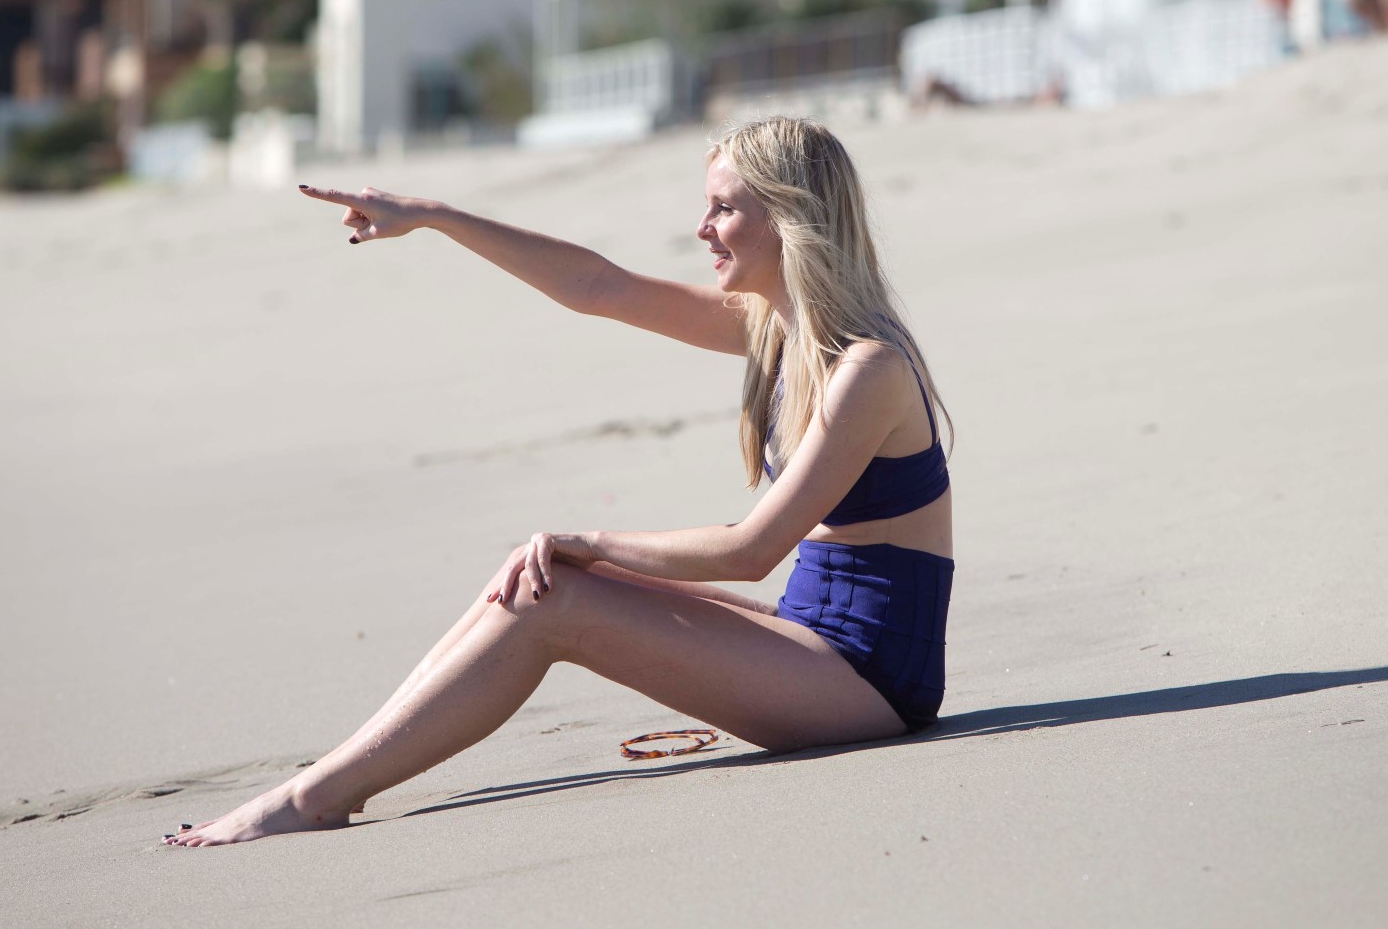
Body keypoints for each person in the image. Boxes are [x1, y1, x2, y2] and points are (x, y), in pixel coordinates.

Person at [163, 116, 954, 847]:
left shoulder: (866, 368)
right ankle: (333, 776)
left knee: (552, 593)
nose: (702, 228)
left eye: (722, 209)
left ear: (789, 218)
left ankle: (314, 798)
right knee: (539, 574)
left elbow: (752, 550)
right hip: (812, 639)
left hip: (871, 680)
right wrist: (436, 217)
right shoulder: (781, 332)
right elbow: (599, 288)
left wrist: (592, 540)